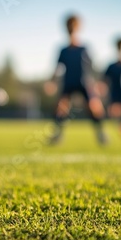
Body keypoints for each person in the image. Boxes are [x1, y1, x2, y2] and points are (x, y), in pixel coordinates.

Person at [44, 14, 107, 145]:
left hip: (84, 83)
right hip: (68, 82)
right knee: (61, 107)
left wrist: (97, 84)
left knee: (94, 107)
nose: (71, 29)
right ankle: (57, 135)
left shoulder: (84, 49)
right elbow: (57, 68)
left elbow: (92, 67)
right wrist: (52, 82)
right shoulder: (63, 50)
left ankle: (101, 133)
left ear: (78, 28)